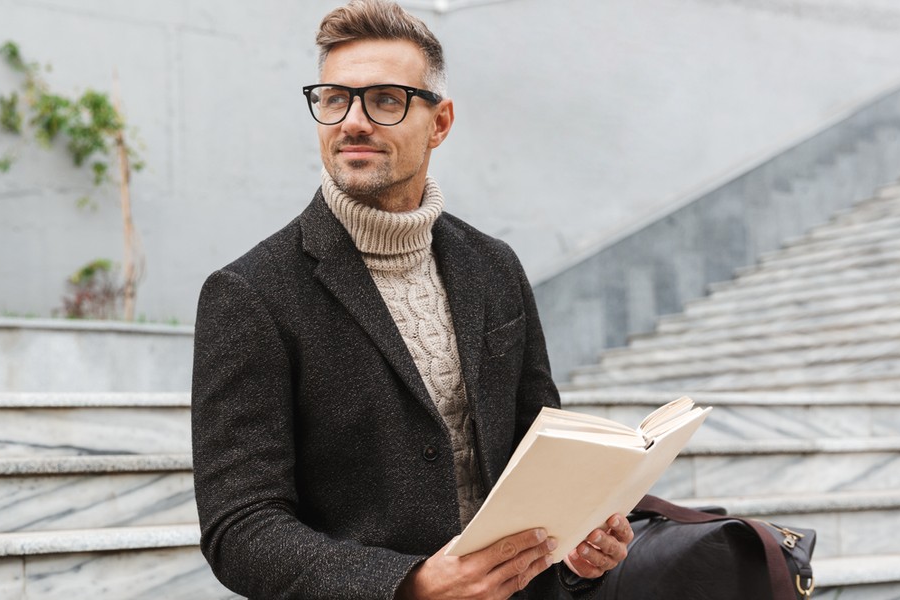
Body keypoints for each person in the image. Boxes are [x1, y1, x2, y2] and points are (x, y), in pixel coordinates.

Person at [191, 1, 632, 598]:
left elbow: (536, 446)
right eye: (334, 98)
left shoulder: (494, 265)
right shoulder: (249, 295)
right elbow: (240, 528)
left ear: (440, 122)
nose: (353, 121)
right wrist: (409, 584)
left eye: (385, 99)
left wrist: (576, 539)